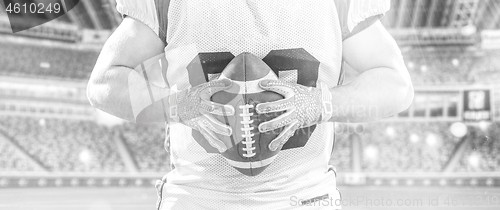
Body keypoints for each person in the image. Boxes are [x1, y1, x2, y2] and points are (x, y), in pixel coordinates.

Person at [87, 0, 414, 209]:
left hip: (301, 197)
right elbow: (105, 82)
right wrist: (175, 105)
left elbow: (395, 84)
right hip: (199, 197)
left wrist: (319, 103)